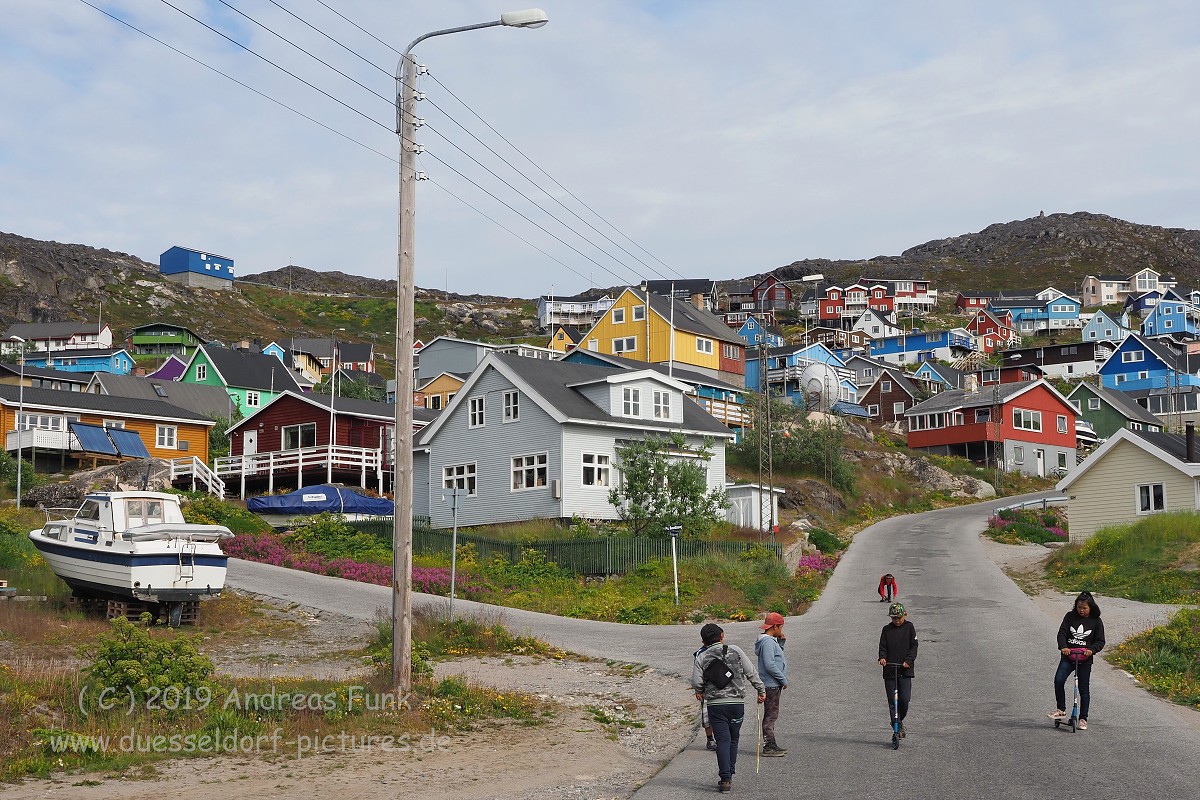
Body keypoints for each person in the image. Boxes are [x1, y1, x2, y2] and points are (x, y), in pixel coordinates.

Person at [691, 623, 766, 794]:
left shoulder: (701, 657)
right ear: (722, 635)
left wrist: (700, 691)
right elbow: (751, 672)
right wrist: (760, 690)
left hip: (716, 706)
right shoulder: (736, 650)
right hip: (736, 704)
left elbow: (696, 682)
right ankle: (730, 770)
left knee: (722, 740)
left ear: (703, 641)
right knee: (734, 738)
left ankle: (725, 779)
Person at [1048, 591, 1106, 730]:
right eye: (1079, 607)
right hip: (1069, 657)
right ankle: (1061, 709)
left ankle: (1083, 718)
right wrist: (1063, 647)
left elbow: (1100, 641)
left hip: (1084, 659)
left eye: (1085, 608)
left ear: (1090, 607)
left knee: (1083, 689)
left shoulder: (1096, 621)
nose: (1081, 610)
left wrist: (1091, 650)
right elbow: (1062, 633)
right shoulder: (1069, 617)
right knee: (1059, 680)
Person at [878, 602, 918, 738]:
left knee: (904, 699)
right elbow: (882, 646)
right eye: (894, 618)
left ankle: (899, 719)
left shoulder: (909, 627)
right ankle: (896, 724)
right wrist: (882, 658)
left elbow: (914, 646)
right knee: (892, 701)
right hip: (890, 669)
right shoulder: (886, 630)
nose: (896, 621)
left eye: (899, 618)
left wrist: (908, 661)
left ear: (905, 615)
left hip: (905, 670)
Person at [754, 611, 789, 757]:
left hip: (771, 683)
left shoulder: (769, 641)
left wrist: (780, 642)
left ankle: (771, 743)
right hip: (771, 684)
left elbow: (776, 655)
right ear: (775, 626)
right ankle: (769, 746)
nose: (781, 630)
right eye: (780, 627)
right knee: (771, 715)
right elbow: (770, 664)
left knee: (771, 714)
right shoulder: (768, 642)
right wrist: (783, 679)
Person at [693, 639, 717, 751]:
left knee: (716, 714)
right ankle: (710, 739)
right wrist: (698, 690)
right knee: (707, 715)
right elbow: (697, 674)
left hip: (719, 687)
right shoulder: (700, 654)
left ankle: (719, 738)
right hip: (706, 689)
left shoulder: (720, 650)